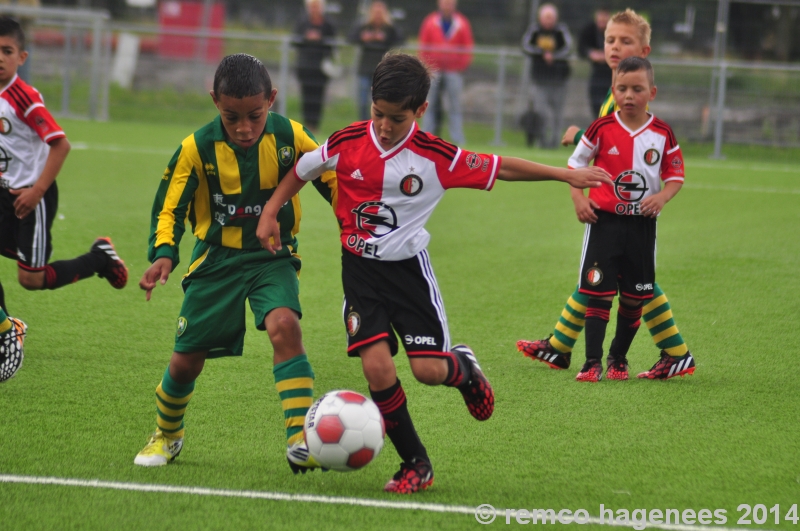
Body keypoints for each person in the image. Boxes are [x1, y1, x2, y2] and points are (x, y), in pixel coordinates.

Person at [256, 53, 611, 493]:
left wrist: (565, 175)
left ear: (420, 111)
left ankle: (462, 368)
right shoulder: (345, 142)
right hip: (361, 275)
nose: (385, 126)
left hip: (409, 277)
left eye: (397, 118)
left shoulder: (436, 157)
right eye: (378, 114)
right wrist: (271, 209)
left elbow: (502, 167)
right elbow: (303, 171)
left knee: (426, 370)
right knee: (377, 368)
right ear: (370, 102)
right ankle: (415, 464)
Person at [133, 53, 337, 471]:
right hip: (215, 261)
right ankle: (168, 434)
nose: (244, 128)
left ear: (272, 100)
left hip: (271, 257)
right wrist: (164, 254)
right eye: (232, 117)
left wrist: (358, 219)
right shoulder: (196, 149)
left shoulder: (291, 136)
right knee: (186, 361)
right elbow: (169, 208)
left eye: (255, 116)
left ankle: (300, 437)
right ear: (214, 102)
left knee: (286, 326)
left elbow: (333, 176)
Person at [518, 9, 696, 381]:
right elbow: (607, 137)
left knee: (620, 283)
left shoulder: (633, 97)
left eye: (625, 42)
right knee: (610, 281)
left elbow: (631, 138)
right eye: (610, 40)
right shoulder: (613, 92)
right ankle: (563, 344)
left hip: (629, 212)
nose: (615, 47)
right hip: (611, 211)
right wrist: (580, 133)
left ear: (643, 51)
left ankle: (671, 351)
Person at [0, 16, 127, 383]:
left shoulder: (23, 97)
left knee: (31, 280)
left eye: (7, 51)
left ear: (21, 56)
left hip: (32, 196)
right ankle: (8, 331)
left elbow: (60, 144)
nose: (0, 57)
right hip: (3, 192)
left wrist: (37, 190)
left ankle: (98, 258)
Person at [566, 57, 691, 382]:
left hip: (641, 225)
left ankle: (618, 358)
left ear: (652, 91)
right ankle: (591, 362)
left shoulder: (663, 133)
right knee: (599, 292)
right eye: (622, 89)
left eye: (637, 89)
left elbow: (676, 175)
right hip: (603, 222)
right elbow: (574, 164)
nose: (629, 95)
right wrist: (579, 199)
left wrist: (662, 197)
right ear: (613, 90)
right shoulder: (601, 127)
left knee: (636, 296)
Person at [418, 0, 473, 145]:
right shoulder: (430, 22)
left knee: (455, 106)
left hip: (453, 71)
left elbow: (468, 47)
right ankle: (424, 137)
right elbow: (423, 45)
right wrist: (426, 66)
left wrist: (461, 65)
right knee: (428, 104)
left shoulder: (462, 23)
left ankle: (458, 140)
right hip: (433, 70)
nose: (447, 5)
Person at [521, 3, 572, 149]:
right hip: (540, 81)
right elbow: (525, 46)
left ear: (555, 19)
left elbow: (568, 48)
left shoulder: (561, 31)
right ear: (540, 18)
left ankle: (555, 143)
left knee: (557, 115)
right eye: (546, 17)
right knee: (541, 114)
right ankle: (542, 142)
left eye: (551, 18)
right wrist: (542, 53)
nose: (548, 21)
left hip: (559, 81)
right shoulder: (535, 30)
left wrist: (554, 56)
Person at [349, 1, 404, 121]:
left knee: (380, 101)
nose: (378, 15)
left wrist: (385, 38)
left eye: (380, 12)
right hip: (365, 68)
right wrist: (362, 38)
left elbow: (401, 39)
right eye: (375, 12)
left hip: (382, 70)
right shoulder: (364, 26)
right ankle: (363, 124)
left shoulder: (389, 28)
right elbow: (350, 37)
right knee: (363, 101)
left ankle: (376, 124)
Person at [292, 0, 337, 132]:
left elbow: (333, 43)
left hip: (322, 67)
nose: (314, 9)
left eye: (317, 7)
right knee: (306, 96)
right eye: (312, 7)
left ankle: (315, 125)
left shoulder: (328, 24)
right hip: (305, 66)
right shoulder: (302, 22)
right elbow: (295, 40)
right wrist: (307, 38)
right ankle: (307, 124)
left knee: (319, 96)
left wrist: (320, 39)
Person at [578, 8, 612, 117]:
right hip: (597, 72)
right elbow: (581, 48)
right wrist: (591, 54)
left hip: (613, 73)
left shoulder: (616, 30)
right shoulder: (589, 30)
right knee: (596, 103)